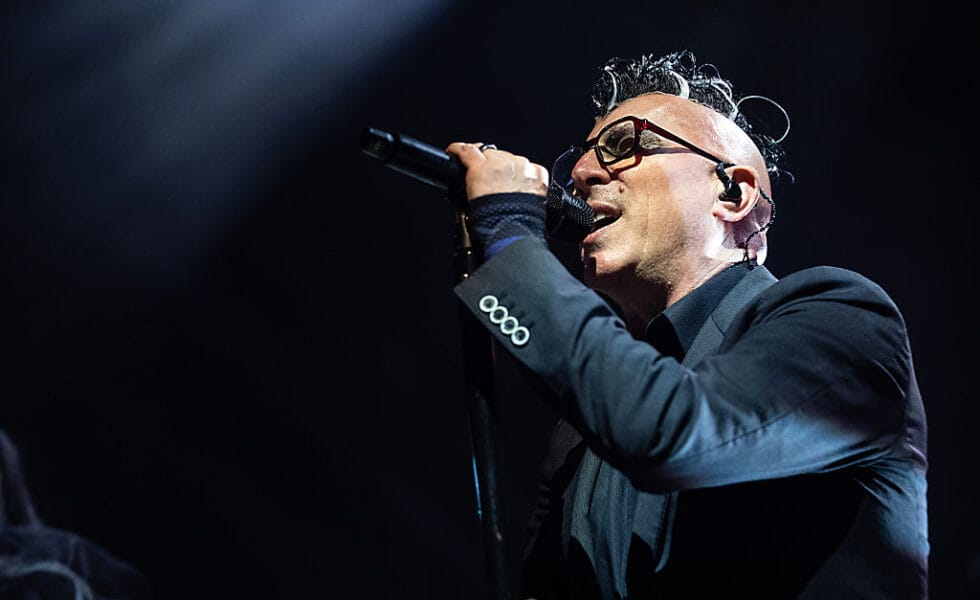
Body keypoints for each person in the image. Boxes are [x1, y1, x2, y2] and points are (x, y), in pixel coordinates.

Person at [445, 50, 928, 599]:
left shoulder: (843, 319)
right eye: (580, 159)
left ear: (733, 192)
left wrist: (511, 238)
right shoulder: (583, 432)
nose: (580, 175)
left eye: (625, 145)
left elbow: (674, 432)